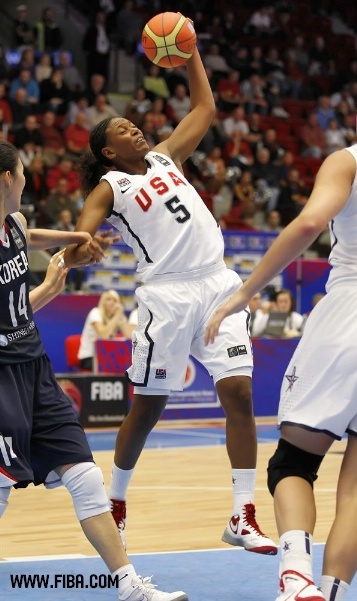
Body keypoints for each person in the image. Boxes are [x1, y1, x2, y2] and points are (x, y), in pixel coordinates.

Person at [64, 41, 277, 557]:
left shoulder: (165, 155)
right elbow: (80, 240)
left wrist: (194, 56)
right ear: (109, 152)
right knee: (149, 406)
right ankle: (114, 503)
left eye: (132, 123)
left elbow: (204, 109)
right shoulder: (109, 187)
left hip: (218, 284)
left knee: (241, 396)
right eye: (121, 130)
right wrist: (86, 247)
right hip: (167, 296)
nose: (133, 127)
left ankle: (241, 513)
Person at [204, 76, 357, 601]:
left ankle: (295, 575)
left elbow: (311, 220)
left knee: (293, 462)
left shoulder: (350, 159)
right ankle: (329, 595)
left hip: (356, 311)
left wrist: (244, 292)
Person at [0, 139, 188, 601]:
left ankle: (129, 587)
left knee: (84, 474)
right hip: (2, 375)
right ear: (7, 179)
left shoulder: (14, 223)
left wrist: (74, 239)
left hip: (35, 369)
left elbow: (31, 237)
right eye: (23, 174)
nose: (27, 181)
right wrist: (48, 286)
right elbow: (16, 309)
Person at [78, 289, 135, 371]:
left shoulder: (116, 316)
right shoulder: (95, 313)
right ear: (102, 302)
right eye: (108, 299)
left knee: (127, 366)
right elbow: (104, 336)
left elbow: (129, 335)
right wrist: (117, 316)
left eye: (115, 300)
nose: (112, 302)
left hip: (107, 357)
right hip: (90, 357)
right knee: (115, 366)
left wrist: (120, 315)